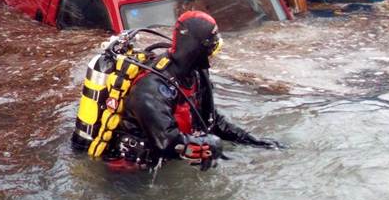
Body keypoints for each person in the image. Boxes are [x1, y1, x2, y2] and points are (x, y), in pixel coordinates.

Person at [104, 10, 283, 172]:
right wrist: (206, 146)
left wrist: (252, 141)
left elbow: (211, 120)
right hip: (131, 173)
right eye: (213, 47)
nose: (214, 53)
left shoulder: (196, 73)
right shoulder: (149, 91)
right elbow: (167, 144)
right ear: (197, 48)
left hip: (168, 160)